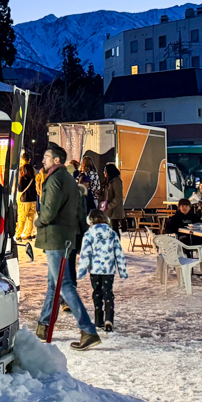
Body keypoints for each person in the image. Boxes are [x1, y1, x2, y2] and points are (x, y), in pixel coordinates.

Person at [34, 143, 100, 350]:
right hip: (65, 236)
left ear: (57, 160)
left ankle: (88, 330)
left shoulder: (55, 180)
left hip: (56, 236)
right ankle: (44, 325)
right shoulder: (69, 180)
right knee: (54, 283)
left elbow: (49, 211)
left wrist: (38, 221)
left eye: (46, 156)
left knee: (64, 285)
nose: (43, 160)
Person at [78, 209, 127, 332]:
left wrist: (82, 271)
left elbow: (85, 254)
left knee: (97, 293)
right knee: (108, 293)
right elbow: (119, 253)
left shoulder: (89, 234)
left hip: (95, 270)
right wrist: (122, 270)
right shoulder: (112, 233)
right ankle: (109, 319)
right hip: (108, 271)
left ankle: (98, 319)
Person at [15, 155, 38, 260]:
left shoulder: (23, 178)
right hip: (33, 199)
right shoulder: (33, 176)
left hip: (25, 200)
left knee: (22, 218)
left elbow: (20, 189)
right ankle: (28, 233)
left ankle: (19, 234)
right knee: (30, 218)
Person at [102, 163, 125, 231]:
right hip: (110, 211)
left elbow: (118, 196)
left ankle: (116, 241)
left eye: (105, 171)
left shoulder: (116, 181)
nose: (104, 172)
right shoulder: (109, 181)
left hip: (114, 212)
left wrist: (109, 206)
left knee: (114, 230)